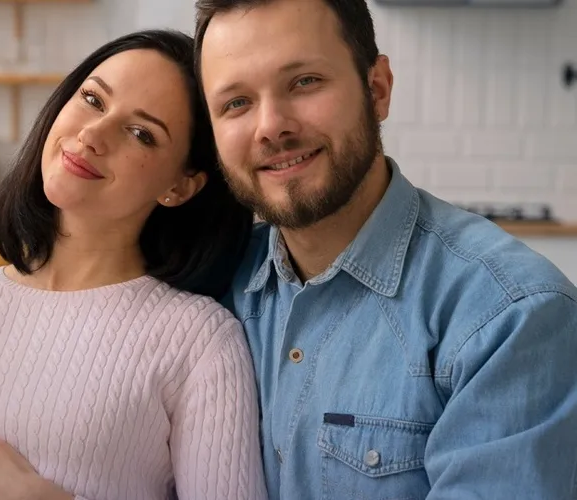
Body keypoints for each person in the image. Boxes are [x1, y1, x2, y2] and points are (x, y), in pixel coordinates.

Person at [194, 0, 577, 498]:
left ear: (377, 90)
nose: (271, 126)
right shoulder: (212, 285)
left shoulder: (512, 317)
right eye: (236, 103)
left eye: (304, 81)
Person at [0, 29, 267, 500]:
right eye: (93, 100)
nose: (92, 135)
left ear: (180, 186)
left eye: (141, 133)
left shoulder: (200, 342)